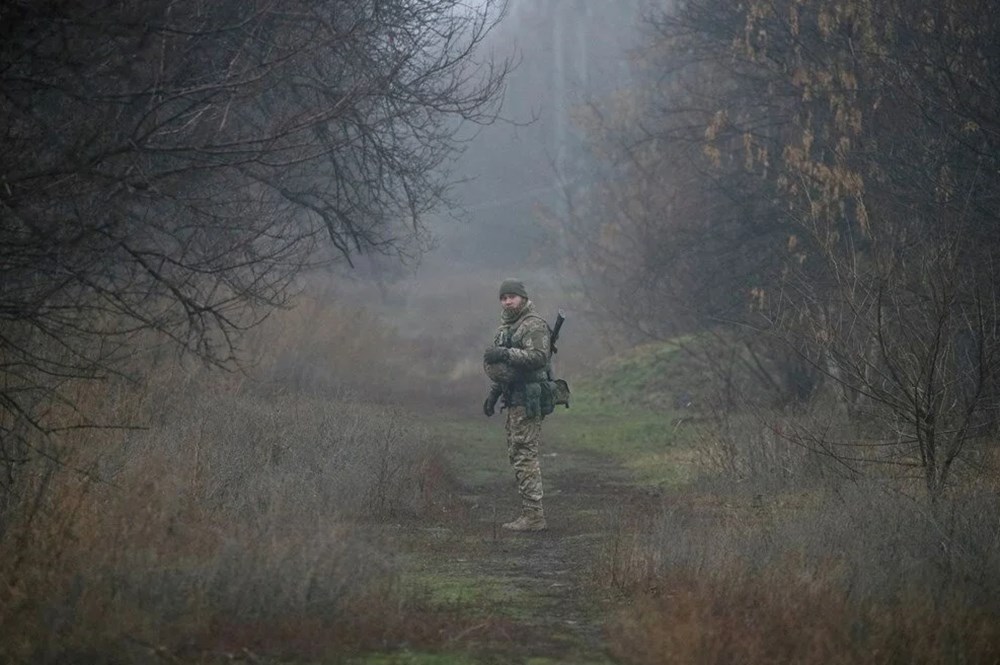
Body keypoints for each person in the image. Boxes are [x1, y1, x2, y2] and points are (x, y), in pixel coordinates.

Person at [482, 278, 551, 532]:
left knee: (524, 454)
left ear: (522, 297)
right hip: (513, 398)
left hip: (528, 398)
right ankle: (530, 513)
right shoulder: (507, 327)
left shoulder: (533, 325)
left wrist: (506, 353)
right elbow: (506, 371)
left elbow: (539, 357)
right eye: (503, 297)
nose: (507, 301)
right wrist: (494, 394)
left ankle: (534, 516)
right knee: (517, 453)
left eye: (511, 296)